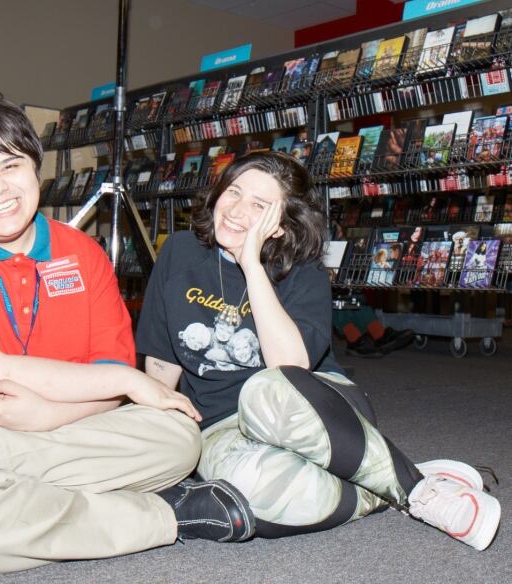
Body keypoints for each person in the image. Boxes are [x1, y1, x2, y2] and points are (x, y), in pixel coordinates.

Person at [0, 95, 254, 578]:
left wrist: (49, 416)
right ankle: (171, 513)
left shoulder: (82, 252)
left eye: (9, 166)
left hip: (59, 436)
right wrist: (131, 381)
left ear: (35, 168)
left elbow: (104, 373)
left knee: (179, 436)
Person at [136, 151, 500, 550]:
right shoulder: (180, 251)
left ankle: (419, 491)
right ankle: (375, 490)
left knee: (263, 389)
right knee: (244, 492)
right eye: (233, 192)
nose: (237, 210)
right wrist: (160, 437)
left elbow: (289, 370)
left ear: (282, 222)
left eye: (259, 205)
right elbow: (162, 357)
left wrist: (252, 265)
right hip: (222, 426)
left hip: (314, 411)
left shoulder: (304, 271)